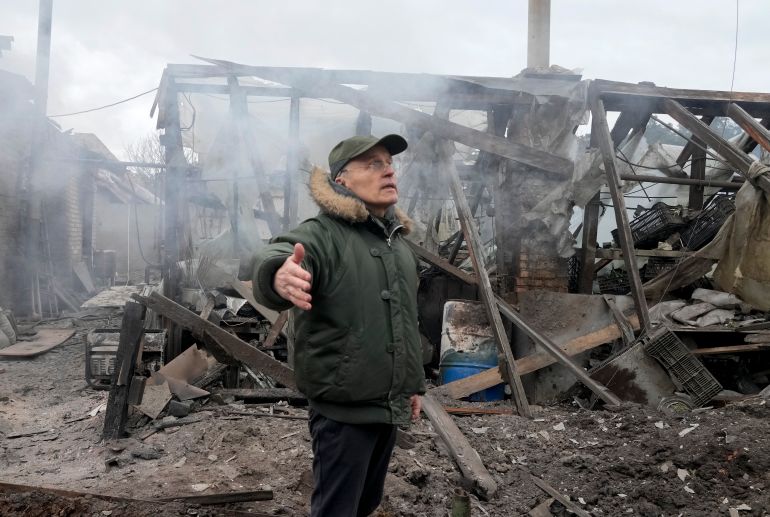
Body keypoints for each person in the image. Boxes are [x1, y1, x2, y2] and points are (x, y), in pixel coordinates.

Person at [250, 134, 426, 517]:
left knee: (365, 504)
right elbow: (279, 252)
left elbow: (403, 322)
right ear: (341, 179)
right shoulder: (324, 234)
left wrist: (411, 384)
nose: (389, 171)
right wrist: (278, 273)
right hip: (343, 413)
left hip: (386, 407)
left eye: (389, 163)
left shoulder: (398, 244)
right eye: (373, 164)